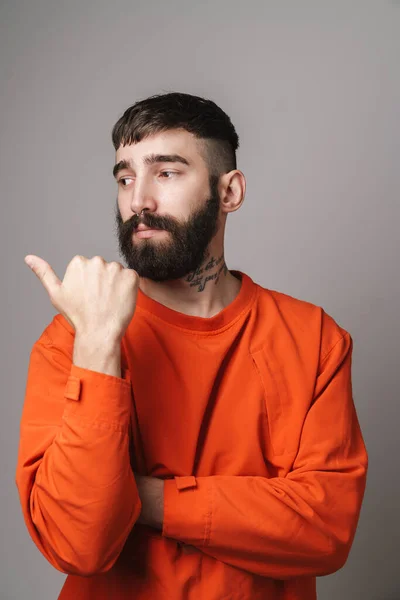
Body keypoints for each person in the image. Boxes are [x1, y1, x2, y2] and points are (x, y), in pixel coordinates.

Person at [15, 92, 368, 600]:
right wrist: (98, 344)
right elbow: (79, 544)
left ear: (229, 192)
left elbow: (324, 530)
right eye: (125, 178)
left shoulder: (314, 338)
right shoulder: (73, 337)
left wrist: (141, 498)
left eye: (167, 173)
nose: (139, 201)